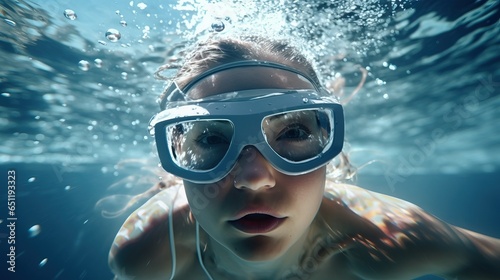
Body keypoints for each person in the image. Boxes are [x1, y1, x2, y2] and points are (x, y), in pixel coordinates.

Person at [108, 35, 500, 280]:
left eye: (293, 133)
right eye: (211, 138)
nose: (253, 176)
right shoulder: (147, 255)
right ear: (178, 161)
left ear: (329, 152)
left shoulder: (388, 239)